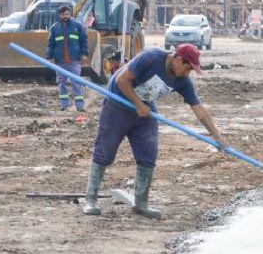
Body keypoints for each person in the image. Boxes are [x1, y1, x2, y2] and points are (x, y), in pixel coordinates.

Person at [82, 44, 226, 218]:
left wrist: (217, 136)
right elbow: (121, 80)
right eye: (188, 68)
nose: (188, 74)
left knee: (148, 154)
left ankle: (141, 204)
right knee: (104, 152)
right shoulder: (151, 58)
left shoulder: (183, 81)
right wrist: (138, 105)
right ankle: (90, 199)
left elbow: (198, 109)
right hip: (118, 104)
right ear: (179, 59)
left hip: (144, 111)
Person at [45, 5, 89, 112]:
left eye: (67, 14)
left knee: (76, 82)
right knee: (62, 82)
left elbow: (84, 40)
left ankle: (80, 105)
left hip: (73, 60)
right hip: (60, 61)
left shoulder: (77, 26)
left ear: (70, 14)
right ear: (60, 15)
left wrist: (84, 53)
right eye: (63, 14)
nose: (66, 16)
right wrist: (49, 56)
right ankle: (64, 105)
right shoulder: (55, 28)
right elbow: (51, 44)